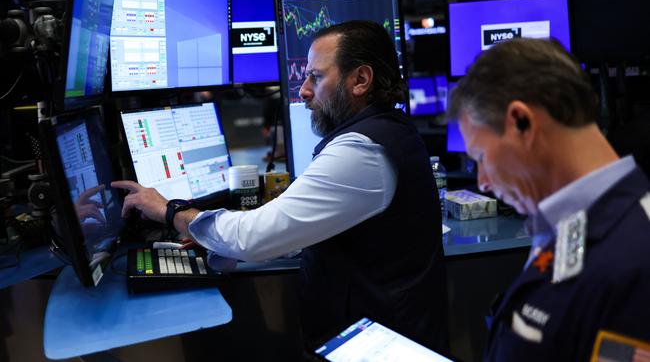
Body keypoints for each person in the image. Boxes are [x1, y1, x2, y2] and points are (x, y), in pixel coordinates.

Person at [113, 20, 448, 352]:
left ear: (360, 80)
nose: (303, 90)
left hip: (377, 349)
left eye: (316, 77)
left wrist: (172, 211)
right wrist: (214, 238)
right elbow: (302, 227)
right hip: (375, 338)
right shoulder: (384, 134)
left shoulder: (363, 151)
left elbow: (252, 237)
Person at [447, 38, 650, 361]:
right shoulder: (567, 226)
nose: (483, 182)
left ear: (521, 122)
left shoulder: (634, 258)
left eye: (482, 156)